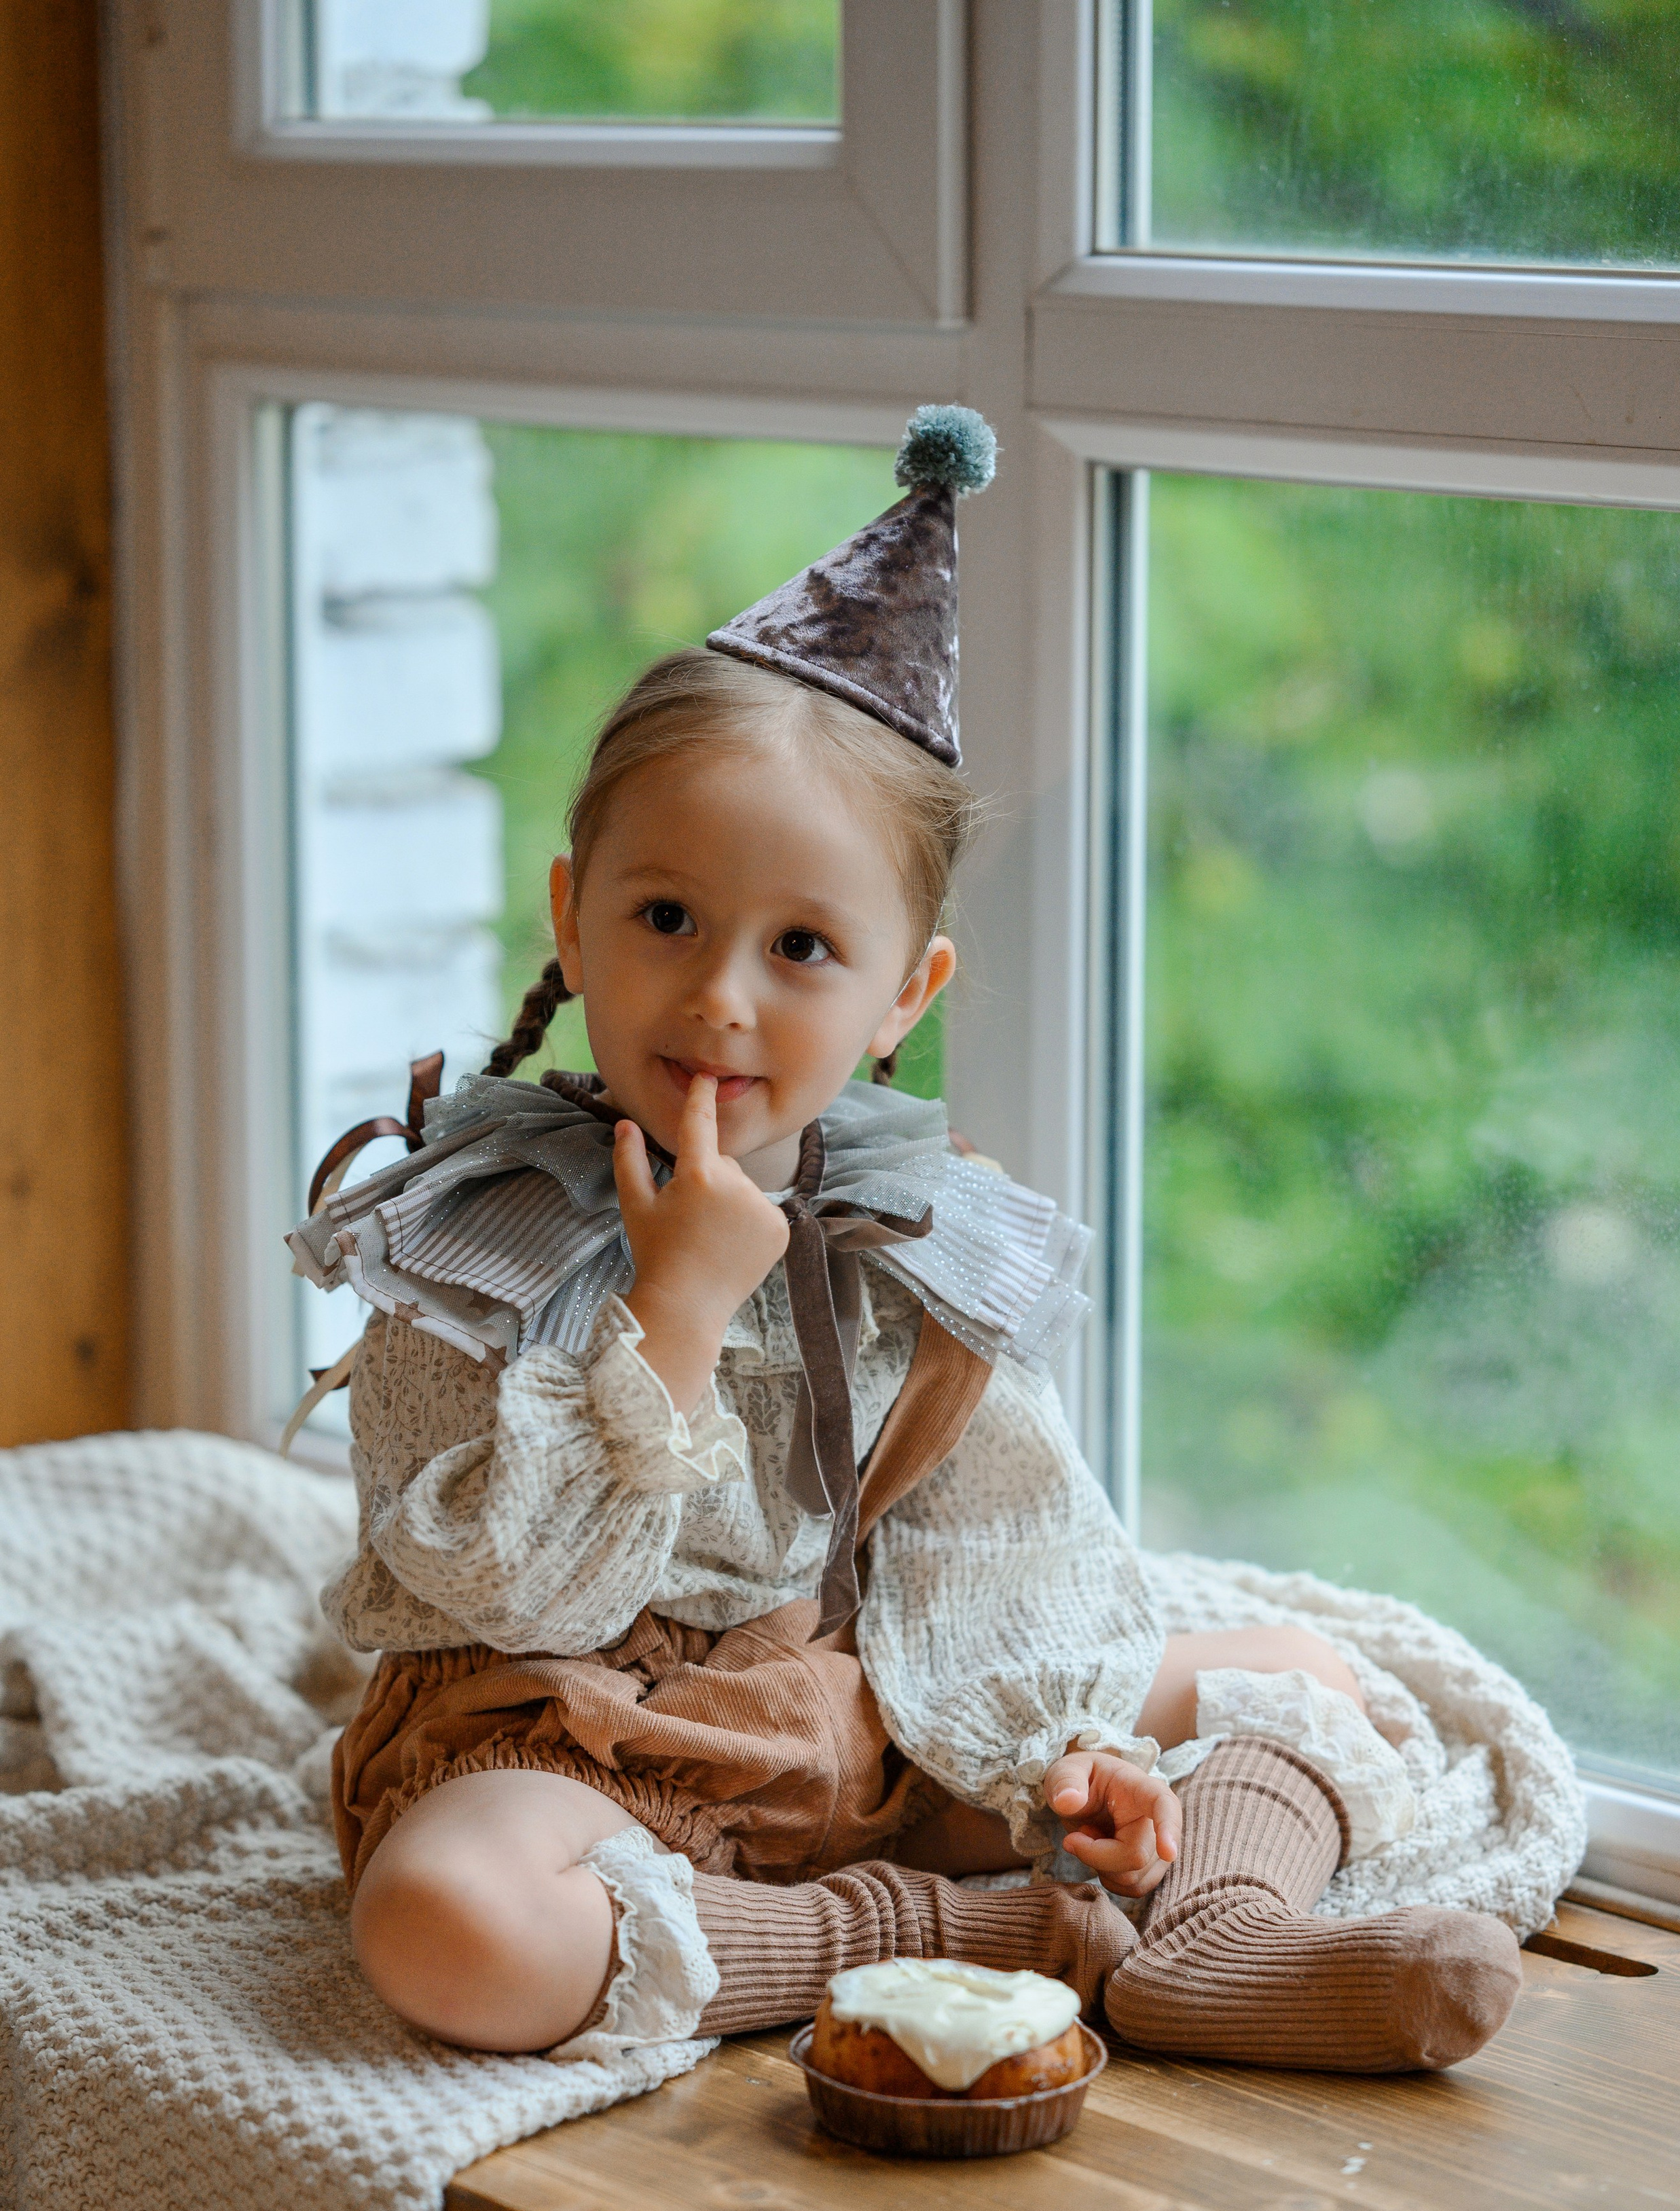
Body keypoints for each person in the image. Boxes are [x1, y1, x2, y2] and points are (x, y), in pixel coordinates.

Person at [291, 408, 1522, 2077]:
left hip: (861, 1708)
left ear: (901, 997)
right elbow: (494, 1584)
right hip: (568, 1739)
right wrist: (668, 1311)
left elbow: (996, 1545)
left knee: (1312, 1671)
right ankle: (976, 1939)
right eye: (666, 919)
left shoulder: (919, 1240)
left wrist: (1071, 1759)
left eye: (801, 944)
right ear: (571, 916)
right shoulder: (475, 1231)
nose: (721, 994)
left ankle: (1211, 1933)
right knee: (445, 1924)